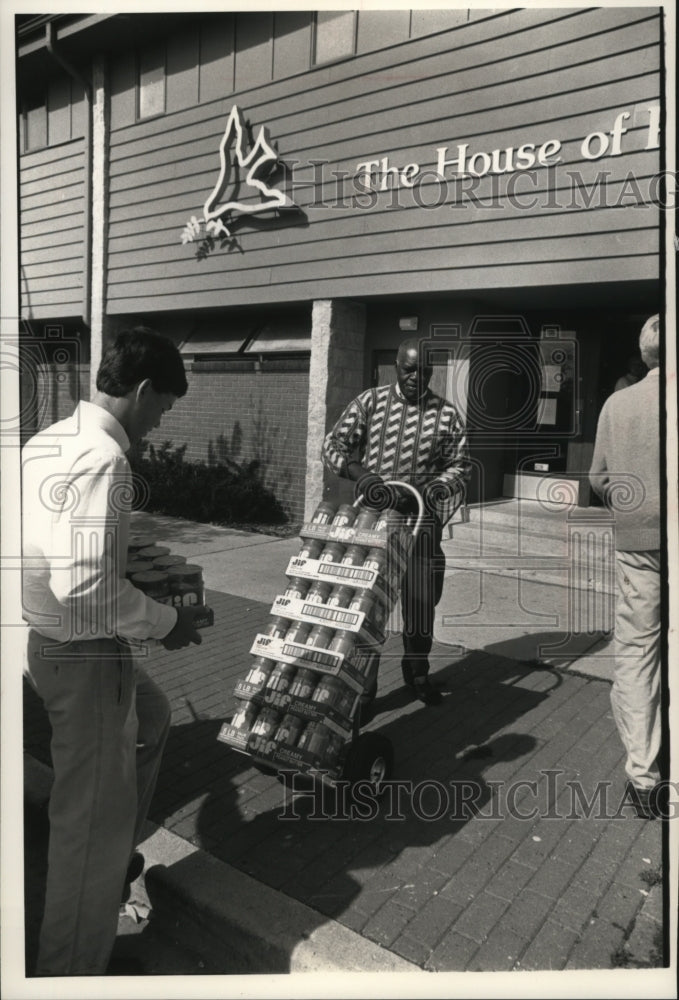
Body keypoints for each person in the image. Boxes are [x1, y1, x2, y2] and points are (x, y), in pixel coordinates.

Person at [22, 327, 204, 975]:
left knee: (151, 720)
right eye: (166, 405)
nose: (161, 419)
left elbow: (54, 541)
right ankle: (69, 972)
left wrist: (124, 554)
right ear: (145, 388)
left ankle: (113, 841)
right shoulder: (105, 460)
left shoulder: (51, 439)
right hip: (86, 654)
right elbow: (86, 586)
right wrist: (165, 624)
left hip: (46, 644)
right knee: (87, 834)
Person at [322, 338, 471, 707]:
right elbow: (333, 445)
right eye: (409, 370)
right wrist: (360, 474)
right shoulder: (370, 402)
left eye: (424, 372)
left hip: (421, 524)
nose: (416, 378)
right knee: (368, 605)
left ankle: (417, 671)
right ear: (396, 366)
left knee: (421, 603)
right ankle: (364, 686)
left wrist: (429, 487)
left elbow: (461, 467)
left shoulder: (447, 415)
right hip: (374, 525)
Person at [589, 315, 662, 819]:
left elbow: (597, 478)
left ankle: (643, 775)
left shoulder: (618, 403)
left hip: (637, 545)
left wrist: (630, 505)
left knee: (637, 653)